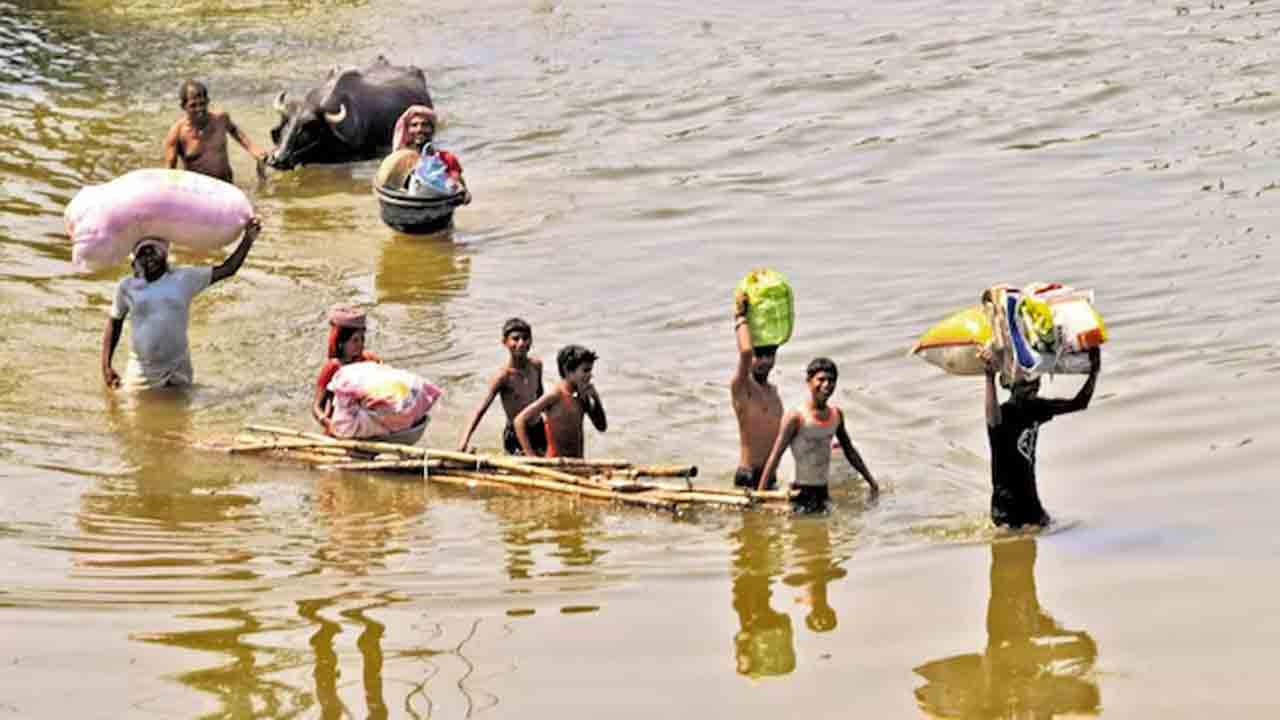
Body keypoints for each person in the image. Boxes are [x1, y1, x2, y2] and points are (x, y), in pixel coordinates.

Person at [101, 218, 261, 391]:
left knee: (182, 413)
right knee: (130, 411)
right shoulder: (127, 287)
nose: (149, 258)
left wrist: (248, 239)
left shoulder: (183, 278)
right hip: (143, 371)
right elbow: (114, 323)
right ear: (135, 261)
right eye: (143, 253)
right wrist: (106, 366)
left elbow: (228, 269)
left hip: (179, 367)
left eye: (153, 252)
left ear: (164, 255)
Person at [980, 342, 1101, 528]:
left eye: (1037, 379)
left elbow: (1079, 403)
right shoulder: (1002, 415)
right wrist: (989, 376)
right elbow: (991, 416)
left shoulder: (1036, 409)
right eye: (1027, 380)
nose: (1035, 384)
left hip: (1033, 508)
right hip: (1006, 511)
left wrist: (1094, 372)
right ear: (1010, 383)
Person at [757, 357, 879, 513]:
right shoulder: (796, 417)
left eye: (831, 380)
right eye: (821, 379)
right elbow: (775, 456)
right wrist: (760, 494)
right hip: (798, 492)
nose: (827, 384)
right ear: (809, 381)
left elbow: (850, 451)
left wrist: (872, 482)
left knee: (822, 535)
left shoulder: (836, 415)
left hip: (822, 491)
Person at [456, 318, 547, 454]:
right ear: (505, 342)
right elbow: (480, 410)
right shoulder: (503, 377)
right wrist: (464, 440)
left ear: (531, 340)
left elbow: (540, 396)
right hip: (515, 435)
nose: (521, 343)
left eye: (525, 338)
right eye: (515, 339)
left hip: (537, 429)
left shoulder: (536, 366)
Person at [164, 79, 269, 183]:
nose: (199, 109)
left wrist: (254, 151)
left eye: (202, 103)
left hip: (227, 185)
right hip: (198, 190)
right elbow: (170, 172)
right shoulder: (177, 133)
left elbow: (236, 132)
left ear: (208, 101)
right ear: (183, 106)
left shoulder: (221, 119)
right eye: (193, 105)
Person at [513, 344, 607, 458]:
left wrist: (595, 399)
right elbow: (519, 421)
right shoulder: (555, 394)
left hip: (577, 462)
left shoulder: (581, 396)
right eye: (586, 370)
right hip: (555, 462)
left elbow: (601, 427)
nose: (590, 375)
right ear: (568, 371)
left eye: (590, 370)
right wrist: (531, 456)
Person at [731, 291, 785, 490]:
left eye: (769, 355)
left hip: (769, 476)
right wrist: (740, 317)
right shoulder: (742, 388)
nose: (764, 361)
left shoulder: (774, 393)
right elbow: (745, 352)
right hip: (748, 475)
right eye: (759, 355)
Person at [311, 305, 382, 435]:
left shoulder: (370, 361)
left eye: (362, 339)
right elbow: (316, 407)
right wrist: (328, 423)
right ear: (340, 343)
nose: (360, 344)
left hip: (366, 430)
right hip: (339, 431)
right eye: (355, 340)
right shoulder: (333, 367)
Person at [391, 105, 471, 205]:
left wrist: (463, 194)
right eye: (414, 125)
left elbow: (459, 188)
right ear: (407, 131)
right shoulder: (399, 160)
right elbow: (387, 186)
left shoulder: (446, 158)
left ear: (432, 130)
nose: (419, 129)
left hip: (438, 213)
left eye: (425, 125)